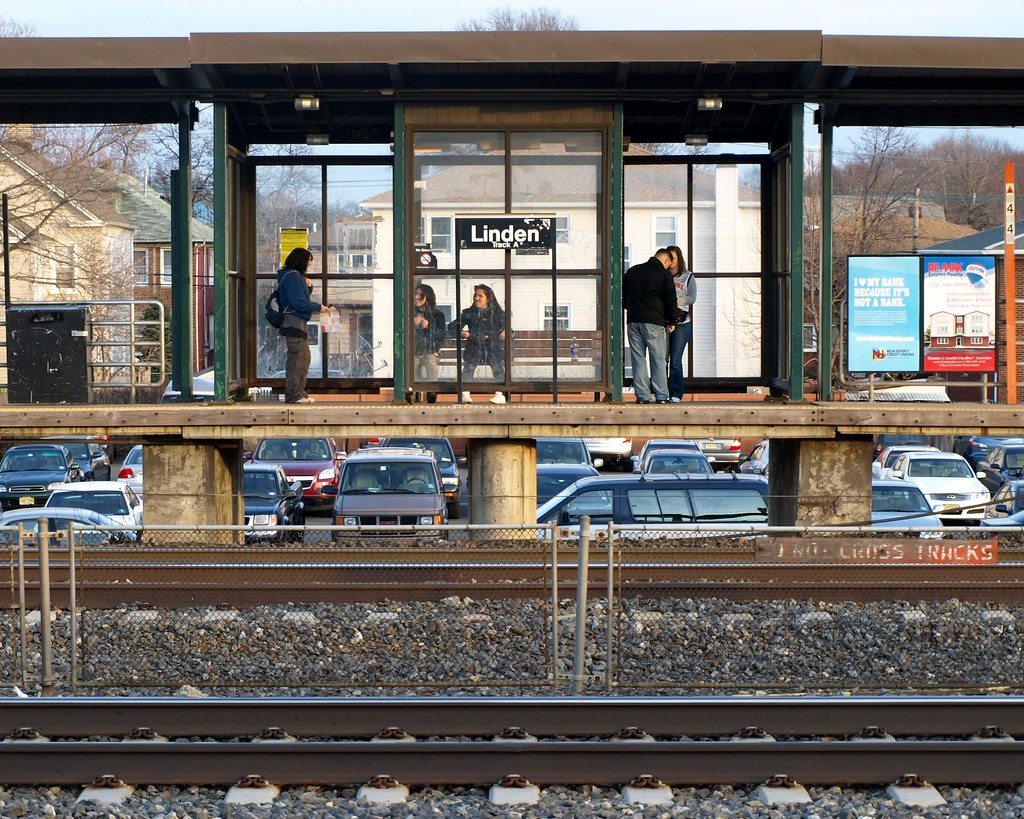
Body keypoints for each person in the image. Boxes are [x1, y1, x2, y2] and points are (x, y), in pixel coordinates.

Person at [623, 248, 676, 403]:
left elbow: (624, 297)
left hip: (633, 321)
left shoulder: (633, 271)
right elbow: (670, 301)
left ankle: (642, 396)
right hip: (654, 322)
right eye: (669, 265)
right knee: (658, 359)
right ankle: (661, 396)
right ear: (666, 261)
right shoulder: (664, 275)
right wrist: (672, 321)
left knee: (638, 359)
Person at [276, 247, 327, 404]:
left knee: (303, 358)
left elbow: (298, 297)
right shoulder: (293, 277)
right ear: (301, 261)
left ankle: (299, 393)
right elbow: (298, 303)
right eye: (308, 261)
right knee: (298, 360)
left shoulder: (293, 276)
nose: (309, 265)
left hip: (296, 324)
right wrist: (319, 307)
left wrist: (308, 287)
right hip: (294, 323)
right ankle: (294, 395)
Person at [457, 283, 506, 382]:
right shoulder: (469, 313)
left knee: (497, 366)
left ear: (488, 299)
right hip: (474, 347)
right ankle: (465, 392)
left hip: (492, 348)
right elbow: (452, 327)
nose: (476, 298)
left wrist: (506, 332)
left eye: (480, 296)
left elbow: (510, 330)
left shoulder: (497, 314)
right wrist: (462, 332)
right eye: (475, 295)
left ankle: (500, 393)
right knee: (469, 366)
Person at [666, 245, 696, 402]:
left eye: (674, 257)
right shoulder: (662, 276)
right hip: (663, 321)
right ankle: (662, 392)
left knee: (675, 360)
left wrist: (675, 301)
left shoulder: (687, 276)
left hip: (682, 322)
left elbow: (692, 297)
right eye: (668, 257)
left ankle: (676, 394)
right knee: (661, 359)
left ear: (679, 258)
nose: (671, 261)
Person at [412, 283, 446, 403]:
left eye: (420, 294)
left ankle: (432, 393)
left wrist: (429, 326)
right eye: (415, 294)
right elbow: (403, 332)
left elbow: (442, 334)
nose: (417, 297)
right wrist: (414, 325)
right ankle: (412, 393)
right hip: (414, 350)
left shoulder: (437, 315)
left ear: (428, 297)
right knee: (412, 366)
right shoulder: (410, 313)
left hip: (430, 349)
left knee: (431, 365)